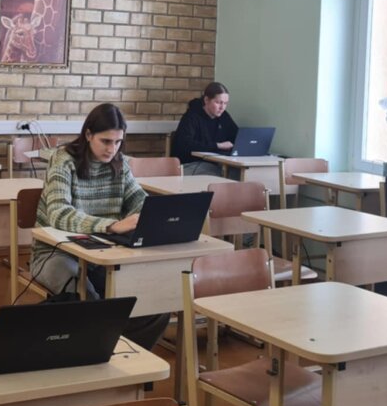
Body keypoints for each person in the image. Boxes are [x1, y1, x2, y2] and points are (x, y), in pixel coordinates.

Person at [29, 103, 170, 350]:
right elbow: (59, 214)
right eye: (105, 141)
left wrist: (158, 216)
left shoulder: (119, 163)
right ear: (88, 134)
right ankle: (100, 351)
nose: (112, 149)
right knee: (89, 302)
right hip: (55, 254)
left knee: (155, 305)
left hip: (103, 255)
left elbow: (139, 199)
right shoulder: (63, 160)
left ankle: (116, 354)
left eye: (117, 142)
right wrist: (112, 226)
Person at [171, 82, 238, 176]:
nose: (222, 107)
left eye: (225, 103)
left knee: (238, 173)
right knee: (220, 175)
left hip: (215, 163)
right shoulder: (191, 117)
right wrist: (217, 146)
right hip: (189, 164)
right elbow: (186, 144)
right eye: (218, 102)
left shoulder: (224, 116)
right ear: (206, 100)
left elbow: (236, 136)